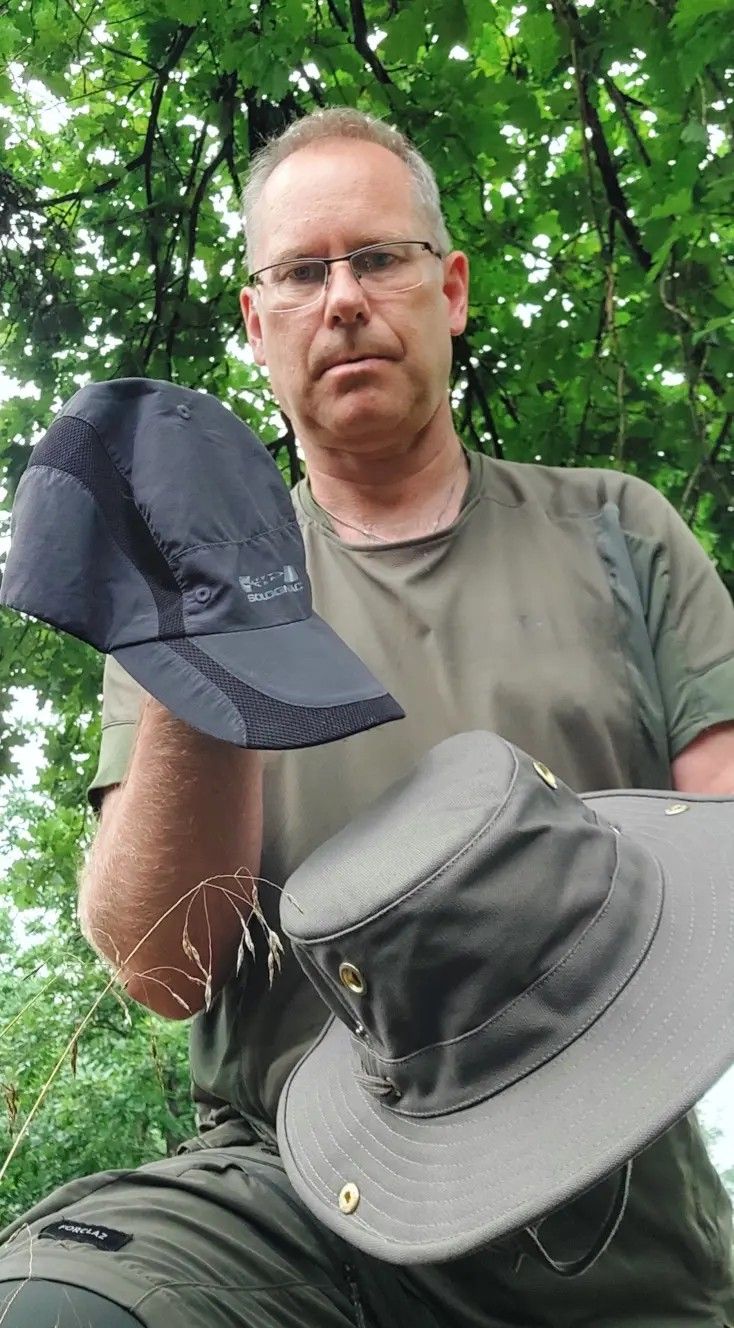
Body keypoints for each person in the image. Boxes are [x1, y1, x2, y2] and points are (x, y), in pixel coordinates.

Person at [2, 107, 734, 1328]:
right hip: (289, 1196)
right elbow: (159, 968)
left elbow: (722, 848)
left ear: (450, 290)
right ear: (256, 323)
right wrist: (208, 636)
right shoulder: (181, 596)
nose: (341, 298)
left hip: (611, 1204)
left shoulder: (615, 526)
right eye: (300, 272)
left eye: (378, 258)